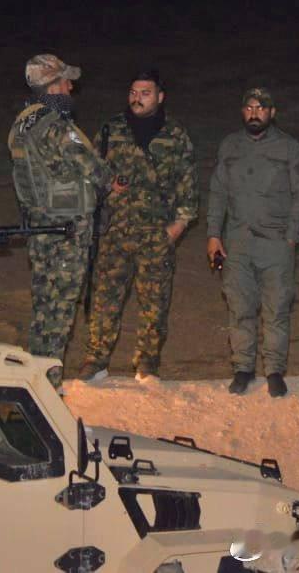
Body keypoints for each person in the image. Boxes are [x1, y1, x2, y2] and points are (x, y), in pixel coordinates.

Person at [8, 53, 120, 388]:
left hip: (40, 229)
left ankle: (35, 380)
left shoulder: (21, 124)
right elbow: (95, 170)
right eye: (66, 82)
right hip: (66, 232)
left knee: (43, 310)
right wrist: (111, 178)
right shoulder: (56, 127)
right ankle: (50, 387)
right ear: (54, 86)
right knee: (59, 314)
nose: (71, 87)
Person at [78, 71, 198, 384]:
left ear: (160, 97)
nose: (137, 98)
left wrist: (179, 225)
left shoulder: (175, 135)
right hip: (115, 233)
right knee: (105, 300)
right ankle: (96, 360)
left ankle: (147, 364)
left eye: (145, 93)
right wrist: (104, 192)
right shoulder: (111, 130)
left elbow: (188, 183)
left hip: (156, 234)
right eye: (133, 92)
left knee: (154, 304)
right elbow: (90, 174)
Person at [206, 87, 299, 398]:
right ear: (243, 112)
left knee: (276, 308)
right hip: (237, 242)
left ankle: (275, 370)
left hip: (275, 242)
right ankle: (243, 368)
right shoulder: (230, 146)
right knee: (240, 307)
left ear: (272, 113)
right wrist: (214, 234)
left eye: (261, 108)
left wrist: (292, 235)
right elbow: (218, 192)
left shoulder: (289, 148)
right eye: (250, 108)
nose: (255, 113)